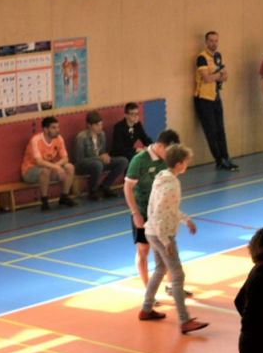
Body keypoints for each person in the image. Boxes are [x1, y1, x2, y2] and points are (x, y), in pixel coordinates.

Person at [138, 144, 207, 333]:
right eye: (186, 162)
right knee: (177, 276)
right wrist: (166, 241)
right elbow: (159, 212)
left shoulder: (162, 178)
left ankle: (146, 309)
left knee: (160, 268)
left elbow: (168, 208)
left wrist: (186, 220)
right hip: (161, 234)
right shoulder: (170, 184)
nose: (187, 165)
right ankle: (184, 321)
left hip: (151, 231)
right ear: (179, 164)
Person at [123, 128, 186, 297]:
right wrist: (135, 213)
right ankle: (147, 290)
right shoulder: (139, 160)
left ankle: (171, 285)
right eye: (169, 150)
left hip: (161, 213)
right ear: (159, 146)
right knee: (143, 250)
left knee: (167, 249)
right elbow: (128, 187)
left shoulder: (168, 161)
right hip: (143, 210)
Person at [194, 30, 239, 171]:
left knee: (221, 130)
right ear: (206, 42)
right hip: (203, 99)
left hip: (216, 97)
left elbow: (225, 76)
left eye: (216, 41)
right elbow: (206, 79)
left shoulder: (218, 56)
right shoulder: (201, 58)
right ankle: (219, 160)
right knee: (211, 131)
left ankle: (226, 157)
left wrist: (217, 75)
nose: (214, 43)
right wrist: (218, 75)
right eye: (211, 41)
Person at [20, 115, 78, 211]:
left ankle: (64, 196)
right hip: (30, 170)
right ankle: (44, 201)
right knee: (45, 171)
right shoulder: (36, 140)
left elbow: (65, 158)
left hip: (49, 167)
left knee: (70, 167)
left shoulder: (59, 139)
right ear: (46, 130)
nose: (57, 130)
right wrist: (56, 167)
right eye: (53, 128)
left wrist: (56, 167)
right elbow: (39, 162)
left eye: (58, 127)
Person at [73, 110, 128, 200]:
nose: (100, 127)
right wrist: (99, 158)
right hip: (84, 165)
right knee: (97, 165)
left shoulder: (101, 135)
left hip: (99, 162)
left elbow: (102, 152)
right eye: (97, 125)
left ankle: (105, 186)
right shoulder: (81, 137)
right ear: (89, 125)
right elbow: (80, 160)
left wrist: (105, 156)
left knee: (123, 161)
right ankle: (92, 190)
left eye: (101, 124)